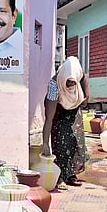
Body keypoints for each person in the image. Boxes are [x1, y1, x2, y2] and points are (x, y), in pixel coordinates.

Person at [42, 56, 89, 190]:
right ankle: (60, 177)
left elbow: (83, 77)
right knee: (62, 141)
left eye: (73, 83)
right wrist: (45, 142)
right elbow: (49, 119)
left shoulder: (76, 73)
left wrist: (87, 94)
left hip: (74, 107)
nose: (71, 85)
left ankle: (70, 174)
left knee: (76, 140)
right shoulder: (54, 87)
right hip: (59, 111)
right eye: (68, 83)